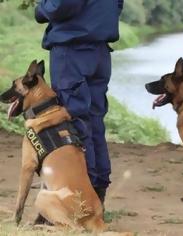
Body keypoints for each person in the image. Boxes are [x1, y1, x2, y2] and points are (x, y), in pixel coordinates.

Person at [34, 0, 124, 205]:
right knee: (94, 121)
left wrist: (41, 9)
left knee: (73, 121)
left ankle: (81, 196)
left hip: (73, 49)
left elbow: (61, 5)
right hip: (100, 51)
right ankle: (97, 192)